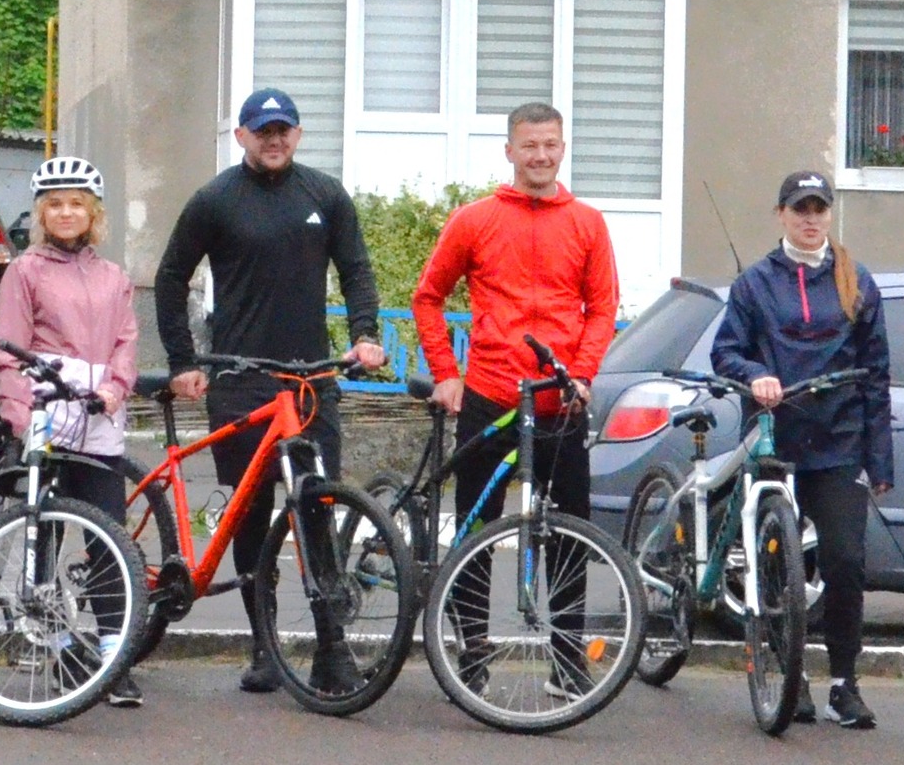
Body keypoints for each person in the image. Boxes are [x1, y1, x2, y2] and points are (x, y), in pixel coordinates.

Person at [154, 87, 389, 695]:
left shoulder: (325, 195)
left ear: (299, 135)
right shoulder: (215, 200)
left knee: (317, 509)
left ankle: (331, 648)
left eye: (284, 130)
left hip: (310, 380)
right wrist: (183, 361)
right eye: (263, 131)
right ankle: (264, 645)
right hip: (240, 380)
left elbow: (356, 270)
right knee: (251, 516)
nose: (275, 139)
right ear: (242, 137)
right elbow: (171, 277)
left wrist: (364, 335)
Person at [414, 101, 621, 695]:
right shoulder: (475, 220)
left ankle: (567, 662)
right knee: (476, 532)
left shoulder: (587, 223)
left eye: (550, 144)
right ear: (509, 151)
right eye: (529, 145)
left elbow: (602, 307)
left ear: (564, 148)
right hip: (490, 396)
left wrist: (583, 374)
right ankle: (471, 653)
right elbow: (428, 297)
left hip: (561, 402)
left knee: (570, 536)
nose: (541, 155)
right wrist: (445, 374)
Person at [708, 171, 900, 729]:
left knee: (844, 561)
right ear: (782, 214)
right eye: (800, 209)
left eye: (819, 209)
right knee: (776, 563)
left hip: (839, 442)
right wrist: (756, 375)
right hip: (776, 440)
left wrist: (879, 459)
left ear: (830, 214)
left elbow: (876, 374)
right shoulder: (754, 284)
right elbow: (726, 353)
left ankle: (844, 683)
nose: (810, 219)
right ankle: (789, 676)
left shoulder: (856, 280)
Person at [0, 154, 145, 706]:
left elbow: (126, 342)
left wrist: (116, 389)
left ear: (92, 213)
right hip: (46, 407)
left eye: (76, 204)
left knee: (108, 538)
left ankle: (113, 654)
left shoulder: (114, 277)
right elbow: (8, 350)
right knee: (46, 534)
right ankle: (56, 645)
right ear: (41, 213)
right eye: (54, 204)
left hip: (98, 412)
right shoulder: (24, 271)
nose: (65, 212)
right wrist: (20, 416)